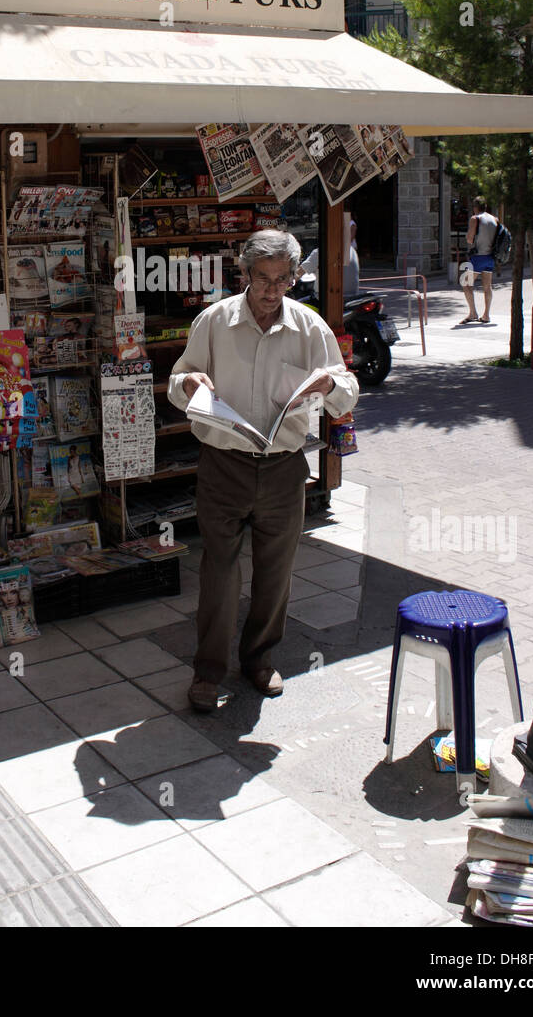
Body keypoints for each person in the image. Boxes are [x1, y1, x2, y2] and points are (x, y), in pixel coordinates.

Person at [168, 229, 359, 712]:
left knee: (276, 571)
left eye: (282, 279)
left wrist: (330, 384)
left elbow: (348, 388)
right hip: (223, 464)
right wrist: (190, 382)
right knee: (219, 571)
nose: (272, 290)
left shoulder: (310, 327)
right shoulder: (214, 321)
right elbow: (177, 380)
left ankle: (259, 659)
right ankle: (208, 672)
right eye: (262, 279)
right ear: (245, 274)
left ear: (295, 277)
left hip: (283, 468)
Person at [461, 196, 498, 324]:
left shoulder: (475, 219)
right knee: (487, 286)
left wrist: (469, 236)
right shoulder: (494, 219)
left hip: (478, 257)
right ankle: (486, 315)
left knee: (465, 282)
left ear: (475, 207)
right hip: (490, 257)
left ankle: (473, 313)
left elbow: (470, 239)